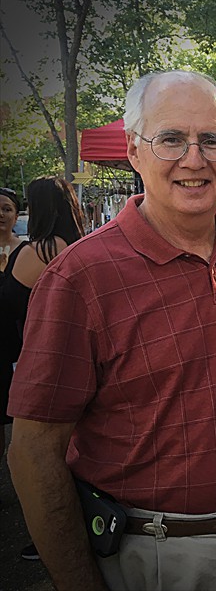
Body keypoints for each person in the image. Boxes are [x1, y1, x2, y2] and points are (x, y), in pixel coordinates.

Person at [8, 70, 216, 591]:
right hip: (153, 556)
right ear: (133, 150)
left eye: (211, 140)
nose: (193, 159)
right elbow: (33, 452)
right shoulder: (80, 278)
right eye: (171, 138)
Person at [1, 177, 85, 560]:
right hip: (56, 360)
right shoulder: (75, 247)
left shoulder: (41, 250)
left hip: (32, 360)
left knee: (34, 452)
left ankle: (49, 537)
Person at [0, 186, 25, 473]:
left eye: (7, 208)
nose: (1, 214)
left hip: (16, 346)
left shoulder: (25, 251)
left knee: (19, 417)